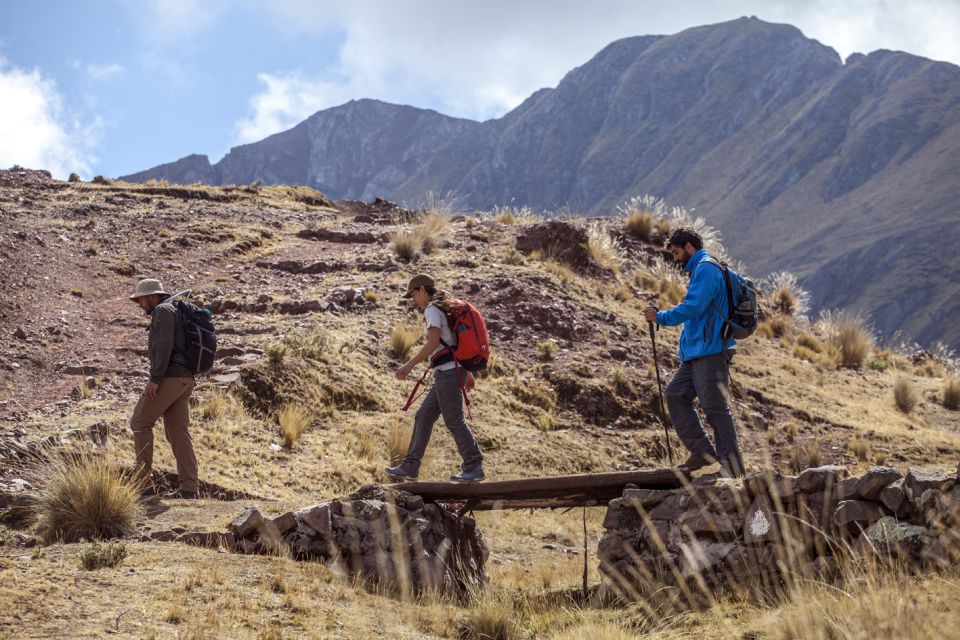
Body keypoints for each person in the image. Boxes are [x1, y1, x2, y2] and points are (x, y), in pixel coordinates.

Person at [642, 229, 745, 477]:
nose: (676, 258)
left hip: (711, 350)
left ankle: (732, 466)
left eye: (677, 252)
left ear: (689, 247)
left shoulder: (707, 269)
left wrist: (661, 317)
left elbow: (694, 306)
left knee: (714, 406)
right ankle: (702, 452)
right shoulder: (701, 270)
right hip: (698, 352)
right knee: (676, 394)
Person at [386, 273, 485, 482]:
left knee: (454, 419)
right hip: (448, 371)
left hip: (448, 373)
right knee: (423, 416)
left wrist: (408, 366)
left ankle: (473, 464)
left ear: (422, 290)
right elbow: (453, 343)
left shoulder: (432, 309)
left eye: (413, 295)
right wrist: (465, 373)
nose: (413, 300)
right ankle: (410, 467)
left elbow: (433, 343)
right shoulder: (443, 308)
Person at [128, 278, 200, 498]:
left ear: (152, 296)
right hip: (185, 379)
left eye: (141, 299)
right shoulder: (176, 309)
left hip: (169, 377)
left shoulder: (163, 311)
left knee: (140, 422)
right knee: (178, 432)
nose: (140, 305)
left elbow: (163, 346)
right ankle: (189, 488)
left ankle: (143, 485)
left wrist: (155, 378)